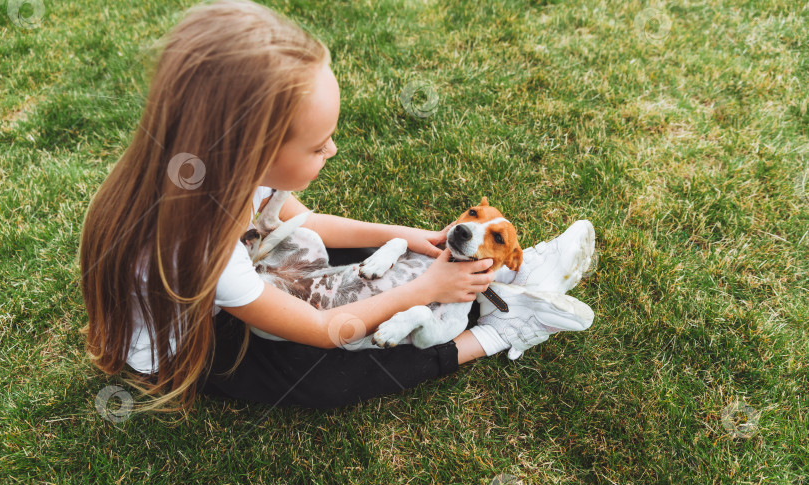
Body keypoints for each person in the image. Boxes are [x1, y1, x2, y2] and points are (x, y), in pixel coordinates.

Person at [79, 0, 594, 412]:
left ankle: (509, 278)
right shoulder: (201, 246)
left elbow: (305, 222)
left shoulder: (207, 170)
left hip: (218, 292)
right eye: (319, 143)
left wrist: (408, 237)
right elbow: (328, 332)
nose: (333, 150)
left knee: (354, 265)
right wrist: (425, 288)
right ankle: (493, 333)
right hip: (199, 344)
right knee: (328, 378)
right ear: (253, 150)